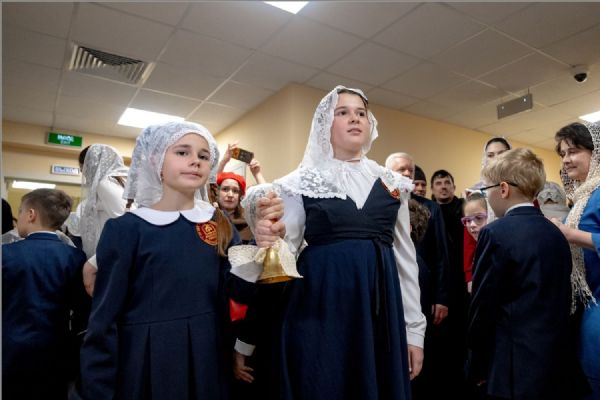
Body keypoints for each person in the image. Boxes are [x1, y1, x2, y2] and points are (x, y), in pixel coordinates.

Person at [240, 86, 426, 400]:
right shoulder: (302, 182)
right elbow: (286, 251)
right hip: (319, 306)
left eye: (361, 113)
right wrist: (270, 239)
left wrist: (414, 332)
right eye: (342, 112)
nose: (354, 118)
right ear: (325, 124)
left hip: (379, 311)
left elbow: (406, 262)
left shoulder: (393, 184)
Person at [73, 121, 250, 400]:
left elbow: (238, 290)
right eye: (182, 152)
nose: (195, 161)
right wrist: (97, 388)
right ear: (156, 162)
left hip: (207, 354)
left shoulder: (218, 223)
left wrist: (265, 246)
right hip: (148, 358)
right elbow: (104, 319)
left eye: (204, 156)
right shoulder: (127, 229)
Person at [468, 147, 577, 399]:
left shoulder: (495, 233)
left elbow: (483, 305)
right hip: (554, 360)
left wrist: (476, 362)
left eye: (486, 190)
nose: (487, 196)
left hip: (513, 364)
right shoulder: (555, 232)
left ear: (503, 189)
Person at [3, 189, 88, 400]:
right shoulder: (75, 257)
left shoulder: (6, 254)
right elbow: (82, 311)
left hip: (10, 349)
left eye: (20, 211)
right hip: (56, 350)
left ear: (31, 214)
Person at [551, 122, 600, 399]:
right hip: (586, 305)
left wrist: (569, 234)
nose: (566, 160)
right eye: (562, 154)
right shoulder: (582, 197)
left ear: (596, 152)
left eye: (573, 151)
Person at [79, 144, 129, 296]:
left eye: (83, 168)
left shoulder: (105, 184)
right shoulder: (121, 181)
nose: (83, 173)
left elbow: (129, 224)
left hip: (111, 257)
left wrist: (93, 263)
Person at [461, 192, 488, 293]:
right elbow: (468, 249)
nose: (472, 224)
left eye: (479, 218)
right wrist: (469, 278)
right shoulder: (470, 231)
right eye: (468, 220)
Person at [217, 171, 253, 243]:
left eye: (235, 191)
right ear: (217, 192)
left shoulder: (249, 222)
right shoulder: (208, 219)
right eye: (225, 189)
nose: (230, 195)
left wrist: (257, 174)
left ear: (240, 196)